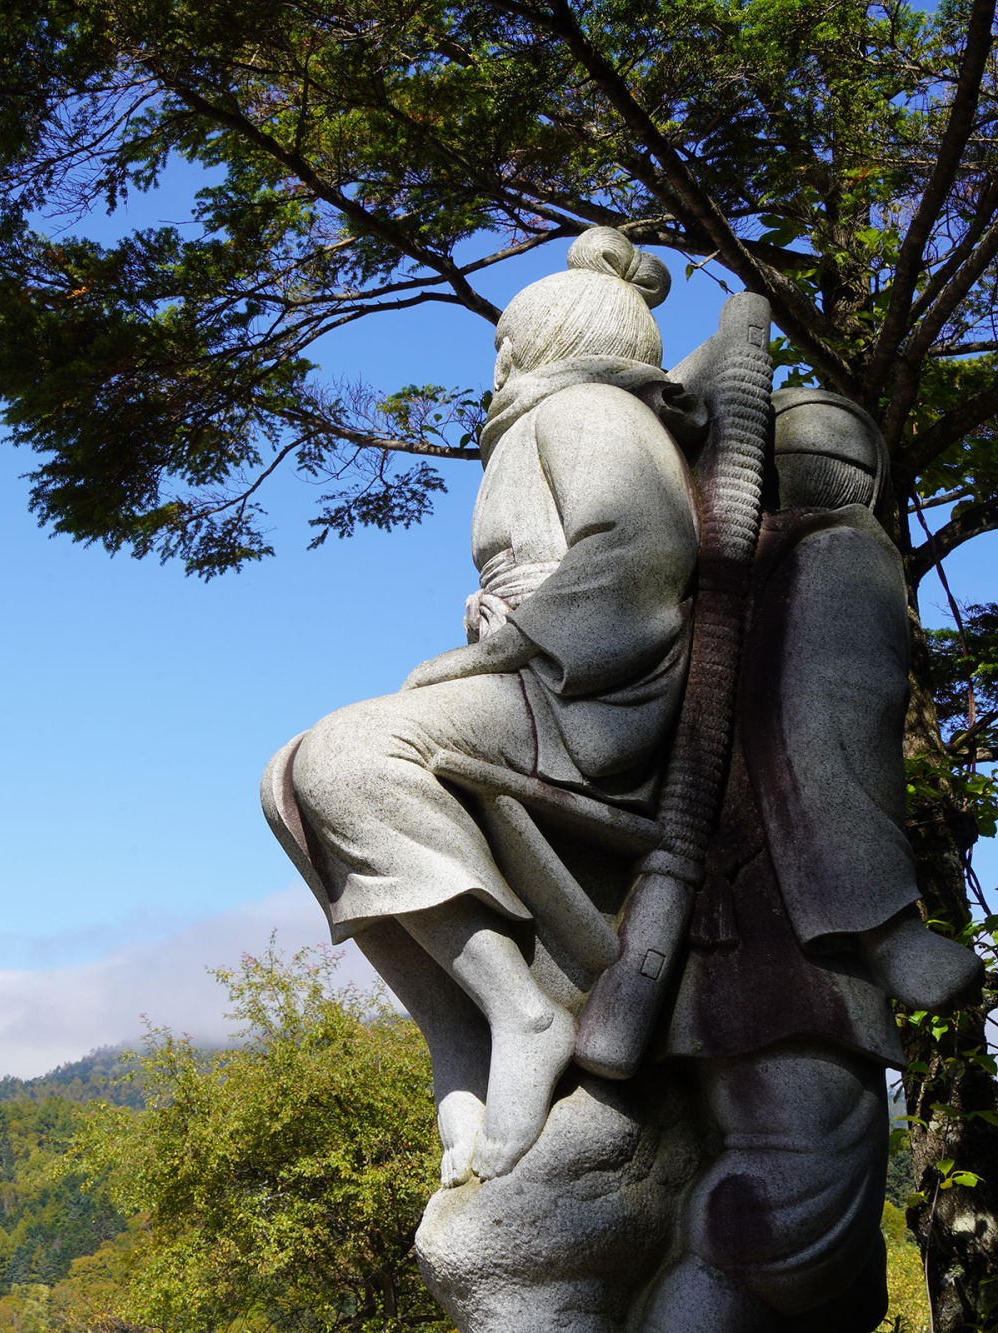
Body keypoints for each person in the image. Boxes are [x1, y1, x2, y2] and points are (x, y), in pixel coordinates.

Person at [262, 227, 699, 1183]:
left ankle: (523, 1012)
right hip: (535, 673)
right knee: (288, 776)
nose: (496, 364)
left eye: (507, 344)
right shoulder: (541, 424)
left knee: (348, 757)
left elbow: (643, 553)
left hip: (591, 695)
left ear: (553, 341)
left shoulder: (589, 408)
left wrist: (502, 643)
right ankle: (457, 1027)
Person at [634, 390, 982, 1332]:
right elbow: (831, 731)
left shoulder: (708, 576)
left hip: (697, 924)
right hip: (790, 943)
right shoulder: (842, 557)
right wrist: (886, 926)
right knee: (794, 1204)